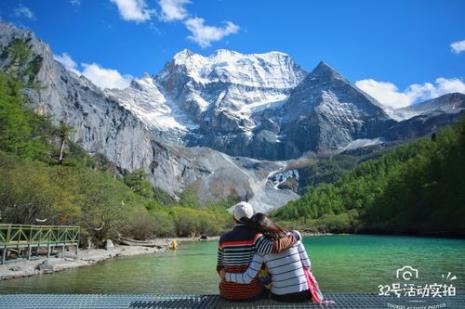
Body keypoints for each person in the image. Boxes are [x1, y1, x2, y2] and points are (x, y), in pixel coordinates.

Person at [220, 213, 325, 303]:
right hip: (304, 294)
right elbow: (307, 265)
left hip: (280, 296)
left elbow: (247, 278)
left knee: (263, 276)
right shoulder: (293, 238)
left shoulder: (261, 249)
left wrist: (226, 276)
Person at [216, 202, 298, 300]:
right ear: (252, 217)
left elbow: (219, 267)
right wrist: (295, 236)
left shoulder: (223, 239)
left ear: (234, 218)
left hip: (226, 293)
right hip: (251, 294)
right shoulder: (256, 237)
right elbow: (275, 247)